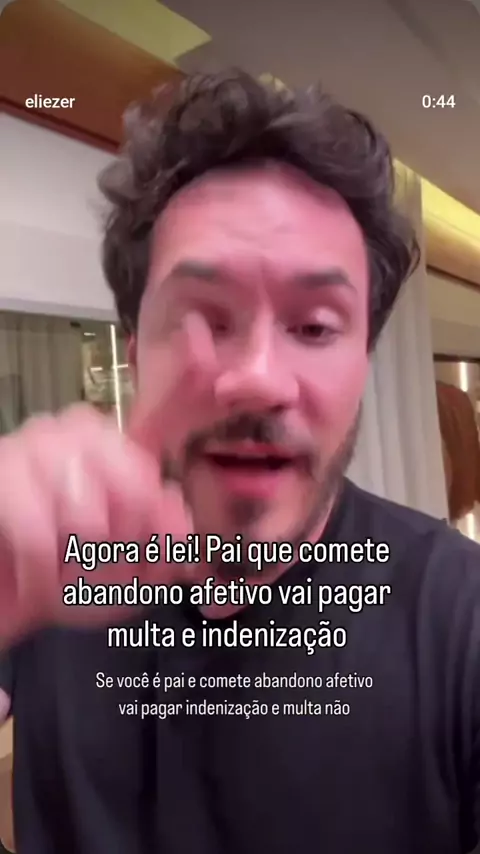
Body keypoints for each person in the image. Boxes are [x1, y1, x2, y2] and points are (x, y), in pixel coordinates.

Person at [0, 69, 478, 854]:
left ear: (363, 364)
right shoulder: (48, 571)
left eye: (314, 327)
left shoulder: (460, 619)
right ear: (134, 357)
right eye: (203, 317)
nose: (257, 377)